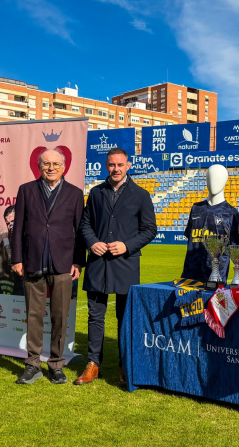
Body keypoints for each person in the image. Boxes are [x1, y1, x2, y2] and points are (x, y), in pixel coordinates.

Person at [76, 147, 156, 386]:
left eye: (120, 165)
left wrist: (127, 245)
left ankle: (125, 365)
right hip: (98, 264)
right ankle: (93, 364)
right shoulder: (96, 193)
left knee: (125, 318)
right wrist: (92, 243)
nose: (116, 169)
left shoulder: (141, 195)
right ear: (106, 165)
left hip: (125, 264)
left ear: (128, 165)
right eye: (111, 165)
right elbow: (85, 224)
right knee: (95, 316)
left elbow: (150, 230)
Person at [11, 148, 86, 385]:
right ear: (39, 166)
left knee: (60, 316)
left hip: (63, 263)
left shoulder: (75, 193)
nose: (51, 168)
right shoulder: (26, 190)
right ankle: (33, 364)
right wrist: (17, 258)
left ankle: (56, 364)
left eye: (55, 164)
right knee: (33, 315)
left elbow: (80, 231)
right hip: (33, 261)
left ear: (64, 167)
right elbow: (18, 228)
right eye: (46, 164)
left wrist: (78, 261)